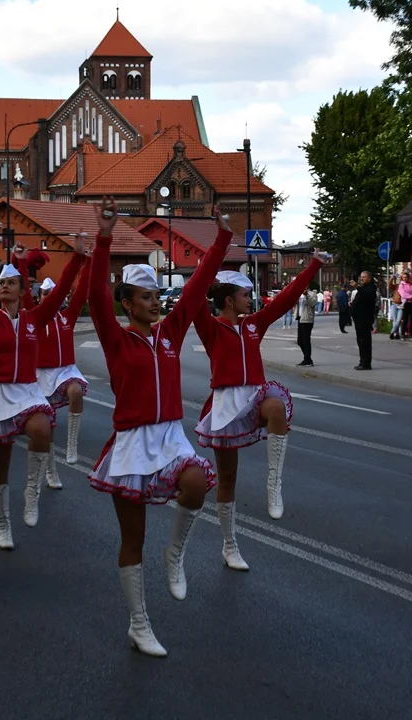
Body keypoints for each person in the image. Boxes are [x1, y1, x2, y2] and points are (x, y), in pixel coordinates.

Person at [88, 197, 231, 657]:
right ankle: (139, 623)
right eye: (146, 298)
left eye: (156, 298)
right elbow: (93, 297)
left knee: (195, 485)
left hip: (170, 437)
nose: (155, 304)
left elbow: (196, 290)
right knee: (133, 538)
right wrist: (104, 236)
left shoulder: (169, 335)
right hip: (132, 443)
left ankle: (176, 554)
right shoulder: (116, 339)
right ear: (127, 303)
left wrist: (223, 236)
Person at [194, 251, 329, 571]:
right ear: (228, 300)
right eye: (245, 295)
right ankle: (230, 546)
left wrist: (315, 265)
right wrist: (207, 266)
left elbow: (286, 298)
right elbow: (194, 296)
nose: (251, 300)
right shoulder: (210, 329)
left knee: (277, 408)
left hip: (254, 396)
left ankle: (274, 486)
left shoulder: (254, 325)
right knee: (227, 479)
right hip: (225, 405)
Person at [0, 235, 84, 545]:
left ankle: (32, 492)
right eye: (1, 284)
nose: (5, 287)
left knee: (42, 428)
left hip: (27, 392)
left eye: (12, 283)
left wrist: (79, 257)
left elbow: (59, 295)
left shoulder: (34, 318)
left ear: (21, 290)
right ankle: (3, 524)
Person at [14, 245, 91, 490]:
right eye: (45, 294)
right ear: (39, 298)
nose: (50, 298)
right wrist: (22, 262)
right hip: (40, 375)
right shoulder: (33, 317)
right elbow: (24, 293)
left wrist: (87, 262)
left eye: (53, 294)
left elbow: (81, 291)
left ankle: (71, 446)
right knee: (46, 429)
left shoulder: (68, 317)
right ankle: (50, 470)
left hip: (66, 370)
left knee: (76, 391)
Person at [350, 272, 377, 371]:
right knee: (360, 341)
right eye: (360, 277)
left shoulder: (371, 288)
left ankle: (366, 363)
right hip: (359, 318)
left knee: (364, 341)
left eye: (364, 277)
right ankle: (362, 361)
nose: (361, 279)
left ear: (369, 278)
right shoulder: (364, 288)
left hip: (364, 319)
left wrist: (357, 287)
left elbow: (366, 296)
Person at [295, 285, 319, 367]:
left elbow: (313, 303)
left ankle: (307, 359)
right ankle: (308, 359)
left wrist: (306, 295)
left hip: (307, 319)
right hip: (300, 319)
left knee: (306, 340)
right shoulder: (299, 293)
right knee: (300, 341)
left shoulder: (312, 294)